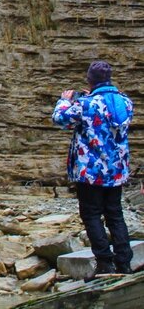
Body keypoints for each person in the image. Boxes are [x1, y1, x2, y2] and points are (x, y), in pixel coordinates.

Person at [52, 60, 135, 276]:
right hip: (116, 171)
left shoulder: (86, 104)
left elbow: (60, 119)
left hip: (90, 172)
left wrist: (64, 100)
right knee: (115, 215)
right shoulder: (125, 102)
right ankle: (124, 262)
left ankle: (105, 262)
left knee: (91, 215)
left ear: (90, 79)